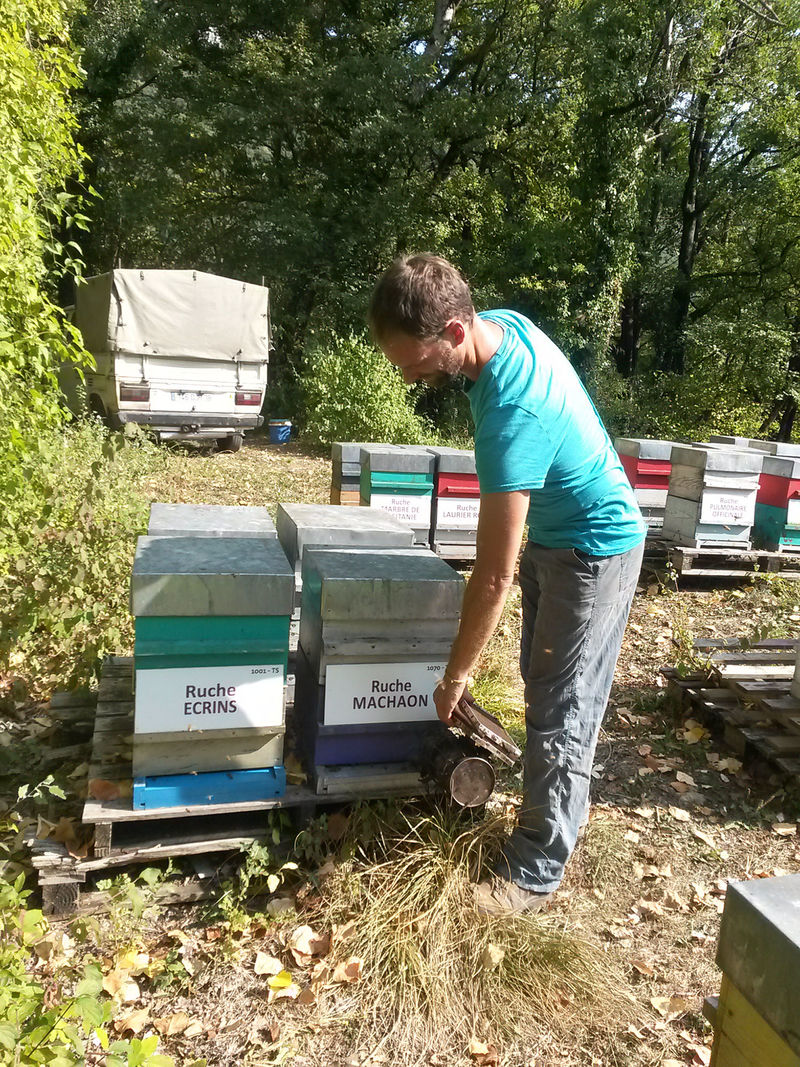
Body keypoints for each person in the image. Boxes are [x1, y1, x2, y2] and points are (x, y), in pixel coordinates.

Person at [367, 254, 646, 916]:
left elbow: (493, 575)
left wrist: (455, 676)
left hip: (593, 550)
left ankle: (535, 871)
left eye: (413, 359)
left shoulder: (511, 414)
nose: (407, 374)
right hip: (560, 538)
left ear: (458, 331)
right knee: (545, 684)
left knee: (563, 709)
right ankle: (551, 808)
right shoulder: (502, 327)